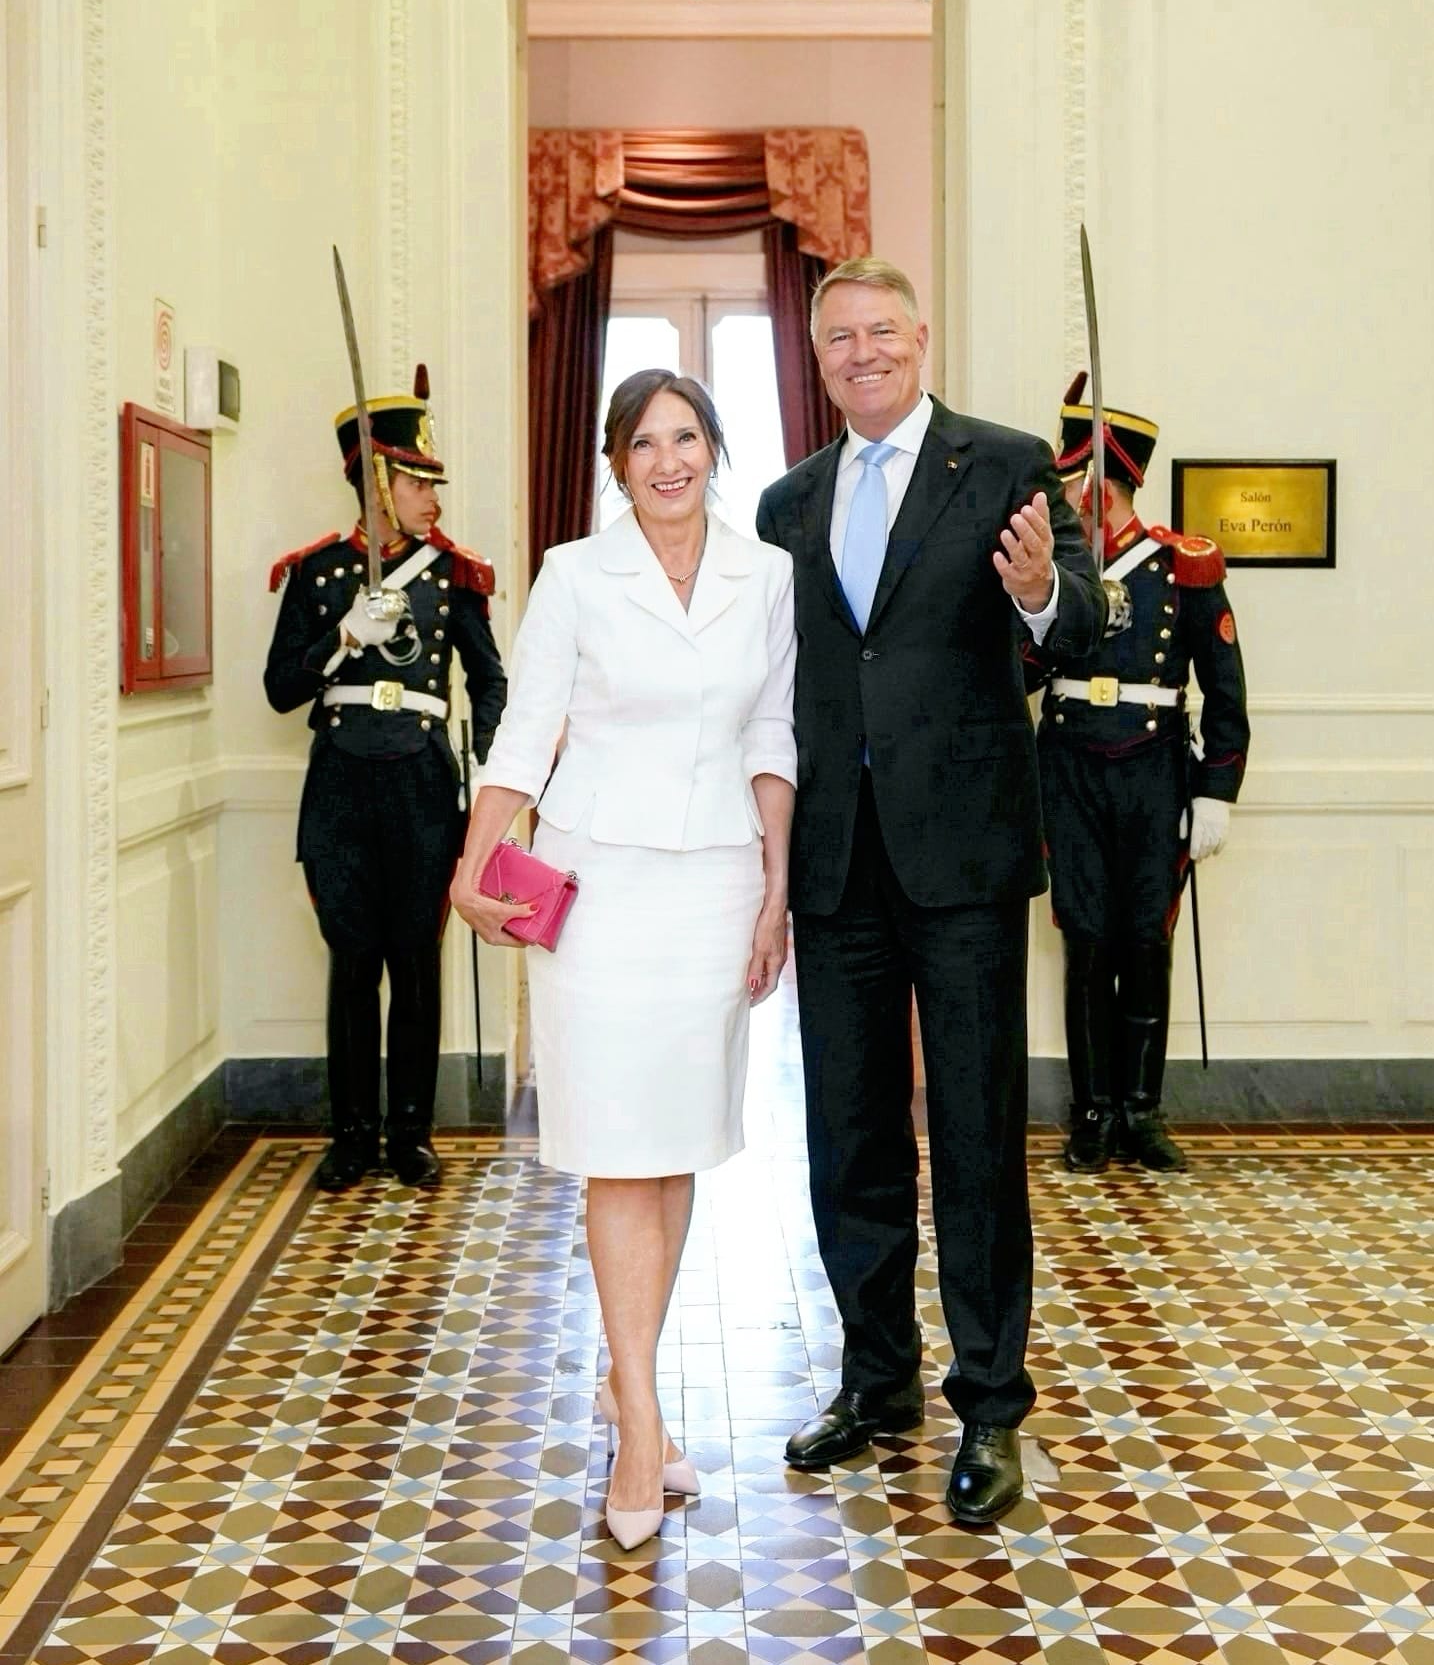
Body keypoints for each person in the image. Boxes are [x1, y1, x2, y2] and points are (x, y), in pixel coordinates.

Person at [755, 257, 1106, 1526]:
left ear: (921, 337)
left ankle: (992, 1406)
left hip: (963, 859)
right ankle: (876, 1382)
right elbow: (771, 680)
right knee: (847, 1137)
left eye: (880, 331)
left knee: (973, 1135)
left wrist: (1039, 592)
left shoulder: (1006, 467)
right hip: (834, 864)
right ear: (817, 356)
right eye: (838, 337)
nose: (861, 352)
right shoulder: (786, 504)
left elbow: (1080, 626)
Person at [449, 370, 797, 1551]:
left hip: (717, 883)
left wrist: (777, 893)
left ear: (715, 449)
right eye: (644, 443)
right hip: (596, 887)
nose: (668, 461)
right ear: (615, 463)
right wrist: (473, 863)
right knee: (616, 1149)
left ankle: (623, 1372)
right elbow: (526, 727)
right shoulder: (574, 574)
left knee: (675, 1143)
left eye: (686, 437)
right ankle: (642, 1419)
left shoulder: (766, 576)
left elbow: (772, 734)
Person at [264, 368, 506, 1192]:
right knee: (352, 962)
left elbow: (490, 680)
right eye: (418, 481)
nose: (433, 498)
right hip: (341, 786)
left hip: (423, 787)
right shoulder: (318, 572)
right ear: (377, 482)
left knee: (416, 961)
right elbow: (280, 690)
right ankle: (351, 1137)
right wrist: (341, 638)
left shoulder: (451, 575)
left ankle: (410, 1134)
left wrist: (492, 764)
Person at [1026, 375, 1249, 1174]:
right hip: (1070, 768)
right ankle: (1091, 1112)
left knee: (1146, 941)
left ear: (1100, 485)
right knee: (1087, 943)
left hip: (1155, 772)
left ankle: (1141, 1112)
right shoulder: (1054, 569)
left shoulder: (1183, 564)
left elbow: (1225, 689)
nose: (1061, 500)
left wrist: (1216, 791)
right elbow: (1019, 671)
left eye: (1070, 485)